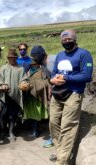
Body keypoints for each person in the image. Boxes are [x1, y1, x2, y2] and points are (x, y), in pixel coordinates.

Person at [49, 29, 93, 164]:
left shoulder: (84, 54)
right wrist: (52, 80)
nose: (66, 42)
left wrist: (66, 77)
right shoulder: (60, 55)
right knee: (53, 123)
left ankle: (62, 161)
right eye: (64, 40)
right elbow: (54, 72)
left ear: (75, 39)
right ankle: (61, 151)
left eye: (69, 39)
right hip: (57, 93)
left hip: (74, 93)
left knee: (68, 125)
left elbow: (86, 76)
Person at [18, 45, 50, 138]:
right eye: (32, 65)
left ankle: (36, 130)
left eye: (35, 64)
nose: (33, 66)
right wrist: (25, 83)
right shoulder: (28, 70)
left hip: (38, 95)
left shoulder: (43, 69)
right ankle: (33, 129)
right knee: (32, 113)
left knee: (36, 113)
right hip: (30, 95)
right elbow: (25, 78)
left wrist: (38, 85)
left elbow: (45, 81)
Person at [0, 49, 24, 141]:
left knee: (12, 116)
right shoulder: (3, 68)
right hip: (4, 96)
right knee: (3, 115)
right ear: (8, 58)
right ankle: (3, 132)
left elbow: (24, 79)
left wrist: (24, 84)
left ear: (16, 58)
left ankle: (11, 132)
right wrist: (1, 85)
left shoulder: (21, 68)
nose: (12, 59)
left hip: (15, 97)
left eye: (14, 58)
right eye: (10, 58)